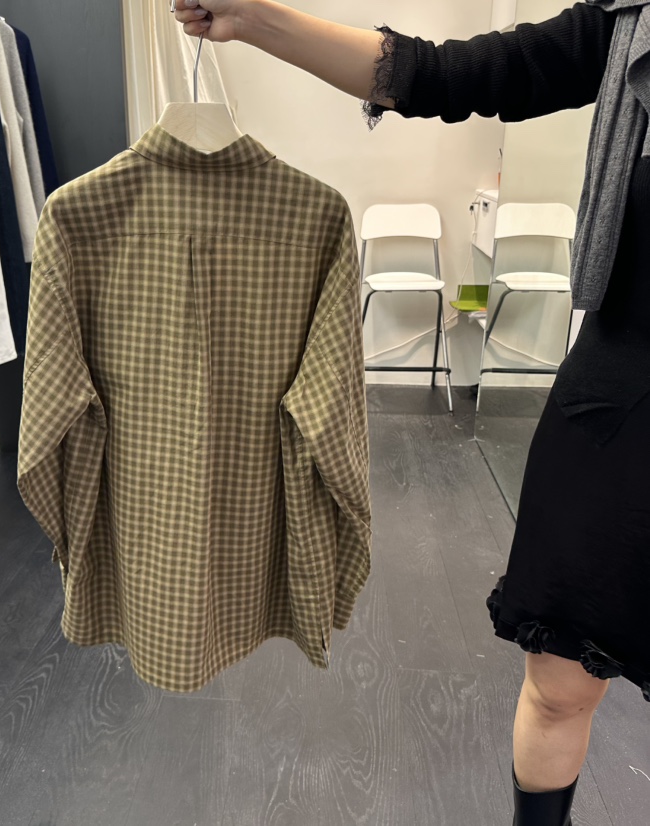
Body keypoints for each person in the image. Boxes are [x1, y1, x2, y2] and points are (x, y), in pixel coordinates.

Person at [173, 3, 650, 825]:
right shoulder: (631, 26)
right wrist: (251, 18)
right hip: (615, 405)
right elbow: (444, 73)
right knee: (559, 688)